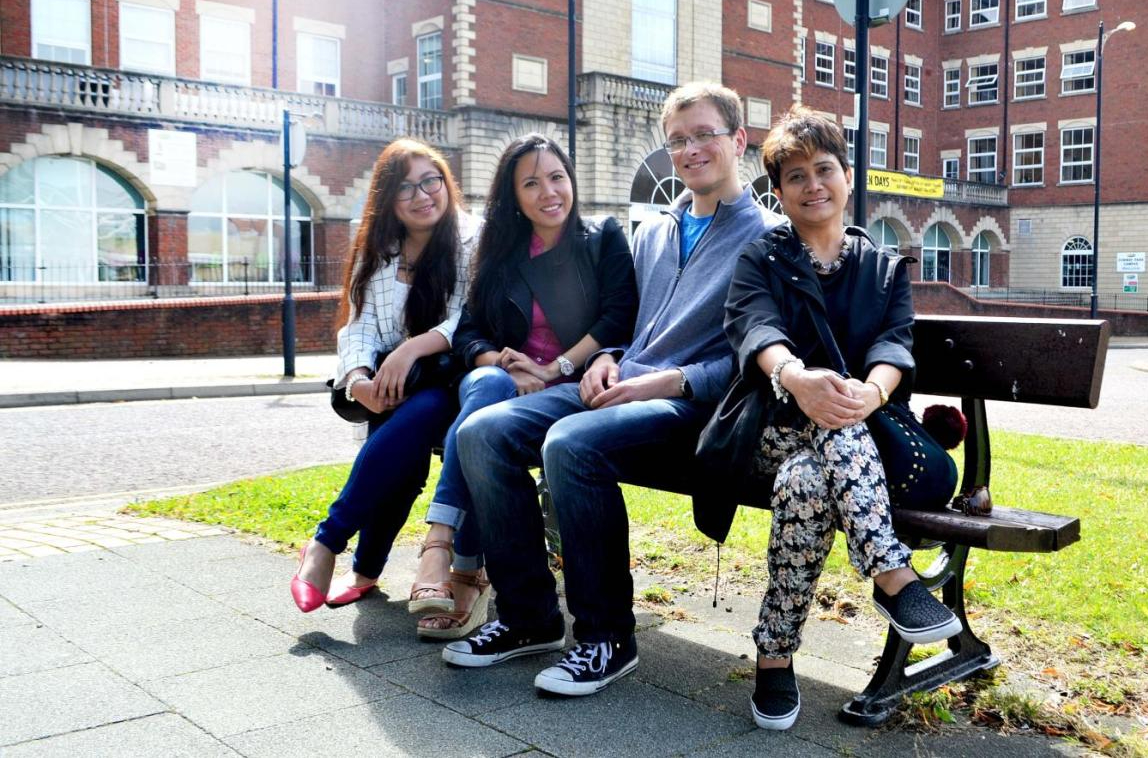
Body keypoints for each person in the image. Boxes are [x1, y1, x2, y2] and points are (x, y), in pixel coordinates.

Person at [440, 82, 780, 695]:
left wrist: (668, 380)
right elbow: (627, 324)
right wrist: (610, 358)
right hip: (621, 387)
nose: (690, 149)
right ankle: (528, 618)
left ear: (739, 139)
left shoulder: (769, 239)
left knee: (570, 445)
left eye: (704, 134)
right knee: (482, 432)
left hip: (692, 405)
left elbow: (762, 356)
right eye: (677, 140)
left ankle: (606, 639)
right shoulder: (654, 230)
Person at [706, 106, 961, 730]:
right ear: (780, 192)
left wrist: (869, 395)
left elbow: (895, 347)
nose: (812, 184)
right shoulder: (761, 255)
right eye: (795, 176)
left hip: (849, 441)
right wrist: (797, 378)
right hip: (768, 427)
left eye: (824, 170)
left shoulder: (881, 267)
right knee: (825, 417)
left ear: (848, 178)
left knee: (807, 483)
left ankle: (774, 655)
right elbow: (753, 325)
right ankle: (893, 576)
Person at [408, 134, 638, 640]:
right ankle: (507, 597)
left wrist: (554, 368)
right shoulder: (501, 252)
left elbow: (619, 316)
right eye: (530, 183)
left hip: (575, 382)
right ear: (513, 196)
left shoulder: (601, 237)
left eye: (556, 177)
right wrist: (504, 361)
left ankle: (450, 552)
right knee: (484, 409)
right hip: (511, 383)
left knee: (482, 432)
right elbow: (468, 330)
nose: (548, 192)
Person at [290, 138, 479, 613]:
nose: (422, 195)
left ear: (446, 183)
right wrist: (358, 380)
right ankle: (363, 571)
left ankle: (327, 543)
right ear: (388, 200)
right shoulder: (377, 251)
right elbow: (357, 327)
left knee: (421, 415)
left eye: (430, 180)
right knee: (402, 456)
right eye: (405, 188)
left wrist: (412, 348)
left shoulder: (472, 240)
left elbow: (469, 316)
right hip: (394, 388)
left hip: (454, 380)